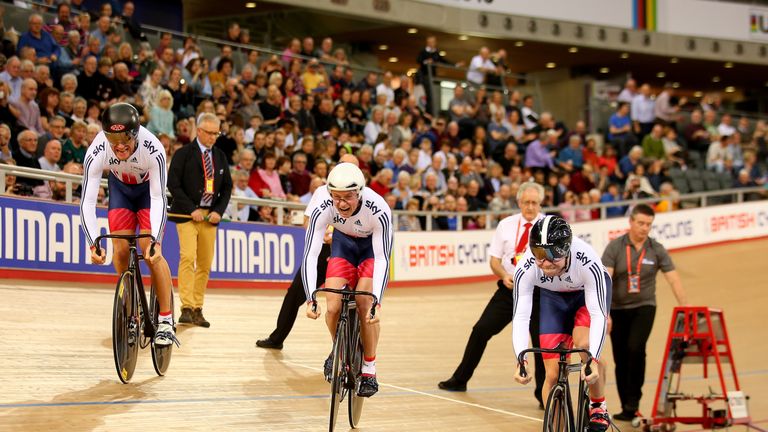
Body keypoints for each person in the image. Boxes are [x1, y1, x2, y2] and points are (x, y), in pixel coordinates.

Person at [438, 182, 546, 407]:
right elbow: (494, 261)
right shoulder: (506, 225)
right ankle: (460, 379)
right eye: (526, 202)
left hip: (539, 293)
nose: (530, 207)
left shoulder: (547, 226)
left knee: (540, 343)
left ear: (540, 203)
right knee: (480, 330)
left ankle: (543, 395)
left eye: (534, 202)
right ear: (518, 202)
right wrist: (504, 275)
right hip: (509, 289)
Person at [80, 103, 178, 347]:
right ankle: (130, 308)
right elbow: (87, 202)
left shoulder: (153, 147)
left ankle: (166, 321)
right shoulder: (98, 149)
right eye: (114, 141)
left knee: (151, 253)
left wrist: (155, 239)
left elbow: (158, 198)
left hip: (147, 194)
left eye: (125, 141)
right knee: (121, 251)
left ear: (136, 134)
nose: (120, 147)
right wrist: (92, 242)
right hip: (121, 190)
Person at [512, 216, 612, 431]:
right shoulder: (526, 267)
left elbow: (597, 314)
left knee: (584, 345)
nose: (545, 263)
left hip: (586, 297)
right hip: (553, 298)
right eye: (540, 256)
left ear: (566, 250)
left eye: (553, 256)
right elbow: (520, 316)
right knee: (552, 375)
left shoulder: (587, 260)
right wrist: (522, 359)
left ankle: (598, 405)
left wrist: (593, 358)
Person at [303, 162, 393, 398]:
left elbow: (383, 258)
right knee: (332, 307)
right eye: (337, 197)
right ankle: (339, 350)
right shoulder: (323, 204)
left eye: (348, 198)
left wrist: (377, 302)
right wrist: (310, 296)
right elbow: (310, 254)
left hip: (370, 251)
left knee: (365, 306)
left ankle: (369, 368)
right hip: (343, 246)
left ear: (360, 193)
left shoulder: (379, 209)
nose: (341, 204)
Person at [256, 154, 361, 350]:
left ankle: (347, 351)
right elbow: (307, 222)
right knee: (295, 293)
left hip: (349, 253)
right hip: (323, 250)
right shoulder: (322, 192)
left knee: (349, 303)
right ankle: (277, 337)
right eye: (343, 165)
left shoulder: (363, 196)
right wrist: (323, 234)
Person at [601, 204, 686, 421]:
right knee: (621, 357)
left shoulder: (656, 249)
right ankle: (626, 407)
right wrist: (604, 312)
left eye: (648, 224)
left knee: (636, 348)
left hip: (644, 306)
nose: (644, 228)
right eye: (640, 223)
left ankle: (634, 400)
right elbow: (605, 281)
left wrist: (686, 307)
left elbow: (673, 278)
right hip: (617, 309)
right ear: (630, 222)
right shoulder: (615, 247)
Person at [168, 113, 232, 328]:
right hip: (187, 215)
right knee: (187, 257)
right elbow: (173, 184)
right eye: (211, 133)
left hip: (209, 217)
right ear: (200, 131)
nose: (215, 137)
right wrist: (191, 208)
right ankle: (186, 306)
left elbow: (227, 187)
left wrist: (218, 211)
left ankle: (197, 308)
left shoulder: (221, 156)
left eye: (217, 133)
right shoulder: (184, 153)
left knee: (204, 263)